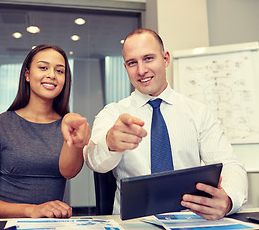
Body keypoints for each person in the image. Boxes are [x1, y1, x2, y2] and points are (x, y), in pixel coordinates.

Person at [83, 29, 248, 220]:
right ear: (125, 67)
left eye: (148, 58)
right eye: (132, 63)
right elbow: (93, 161)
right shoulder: (113, 113)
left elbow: (230, 164)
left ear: (166, 58)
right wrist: (110, 142)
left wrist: (228, 200)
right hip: (134, 223)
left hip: (189, 220)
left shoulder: (198, 112)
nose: (141, 70)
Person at [0, 44, 90, 218]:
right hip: (6, 224)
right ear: (27, 74)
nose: (51, 75)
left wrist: (73, 136)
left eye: (59, 71)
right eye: (43, 68)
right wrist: (32, 210)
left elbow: (70, 172)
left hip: (52, 225)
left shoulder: (68, 127)